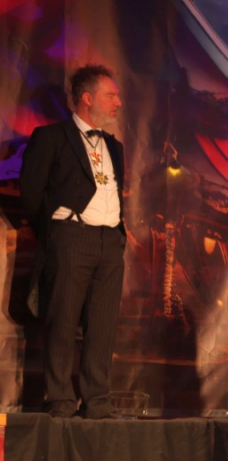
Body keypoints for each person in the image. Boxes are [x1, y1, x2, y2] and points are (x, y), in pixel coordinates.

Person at [19, 64, 126, 418]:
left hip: (109, 242)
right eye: (111, 95)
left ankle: (97, 402)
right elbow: (31, 193)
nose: (118, 102)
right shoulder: (52, 137)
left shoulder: (114, 146)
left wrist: (117, 235)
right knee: (62, 322)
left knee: (102, 326)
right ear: (87, 98)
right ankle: (61, 400)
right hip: (70, 238)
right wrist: (56, 231)